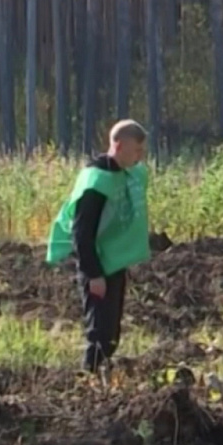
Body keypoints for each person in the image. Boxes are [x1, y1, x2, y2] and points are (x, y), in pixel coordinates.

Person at [46, 119, 151, 374]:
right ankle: (89, 381)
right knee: (99, 332)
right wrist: (93, 275)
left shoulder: (124, 174)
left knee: (112, 332)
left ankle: (102, 377)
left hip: (113, 262)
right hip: (95, 264)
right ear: (118, 145)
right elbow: (81, 233)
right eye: (136, 150)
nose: (140, 156)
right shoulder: (95, 183)